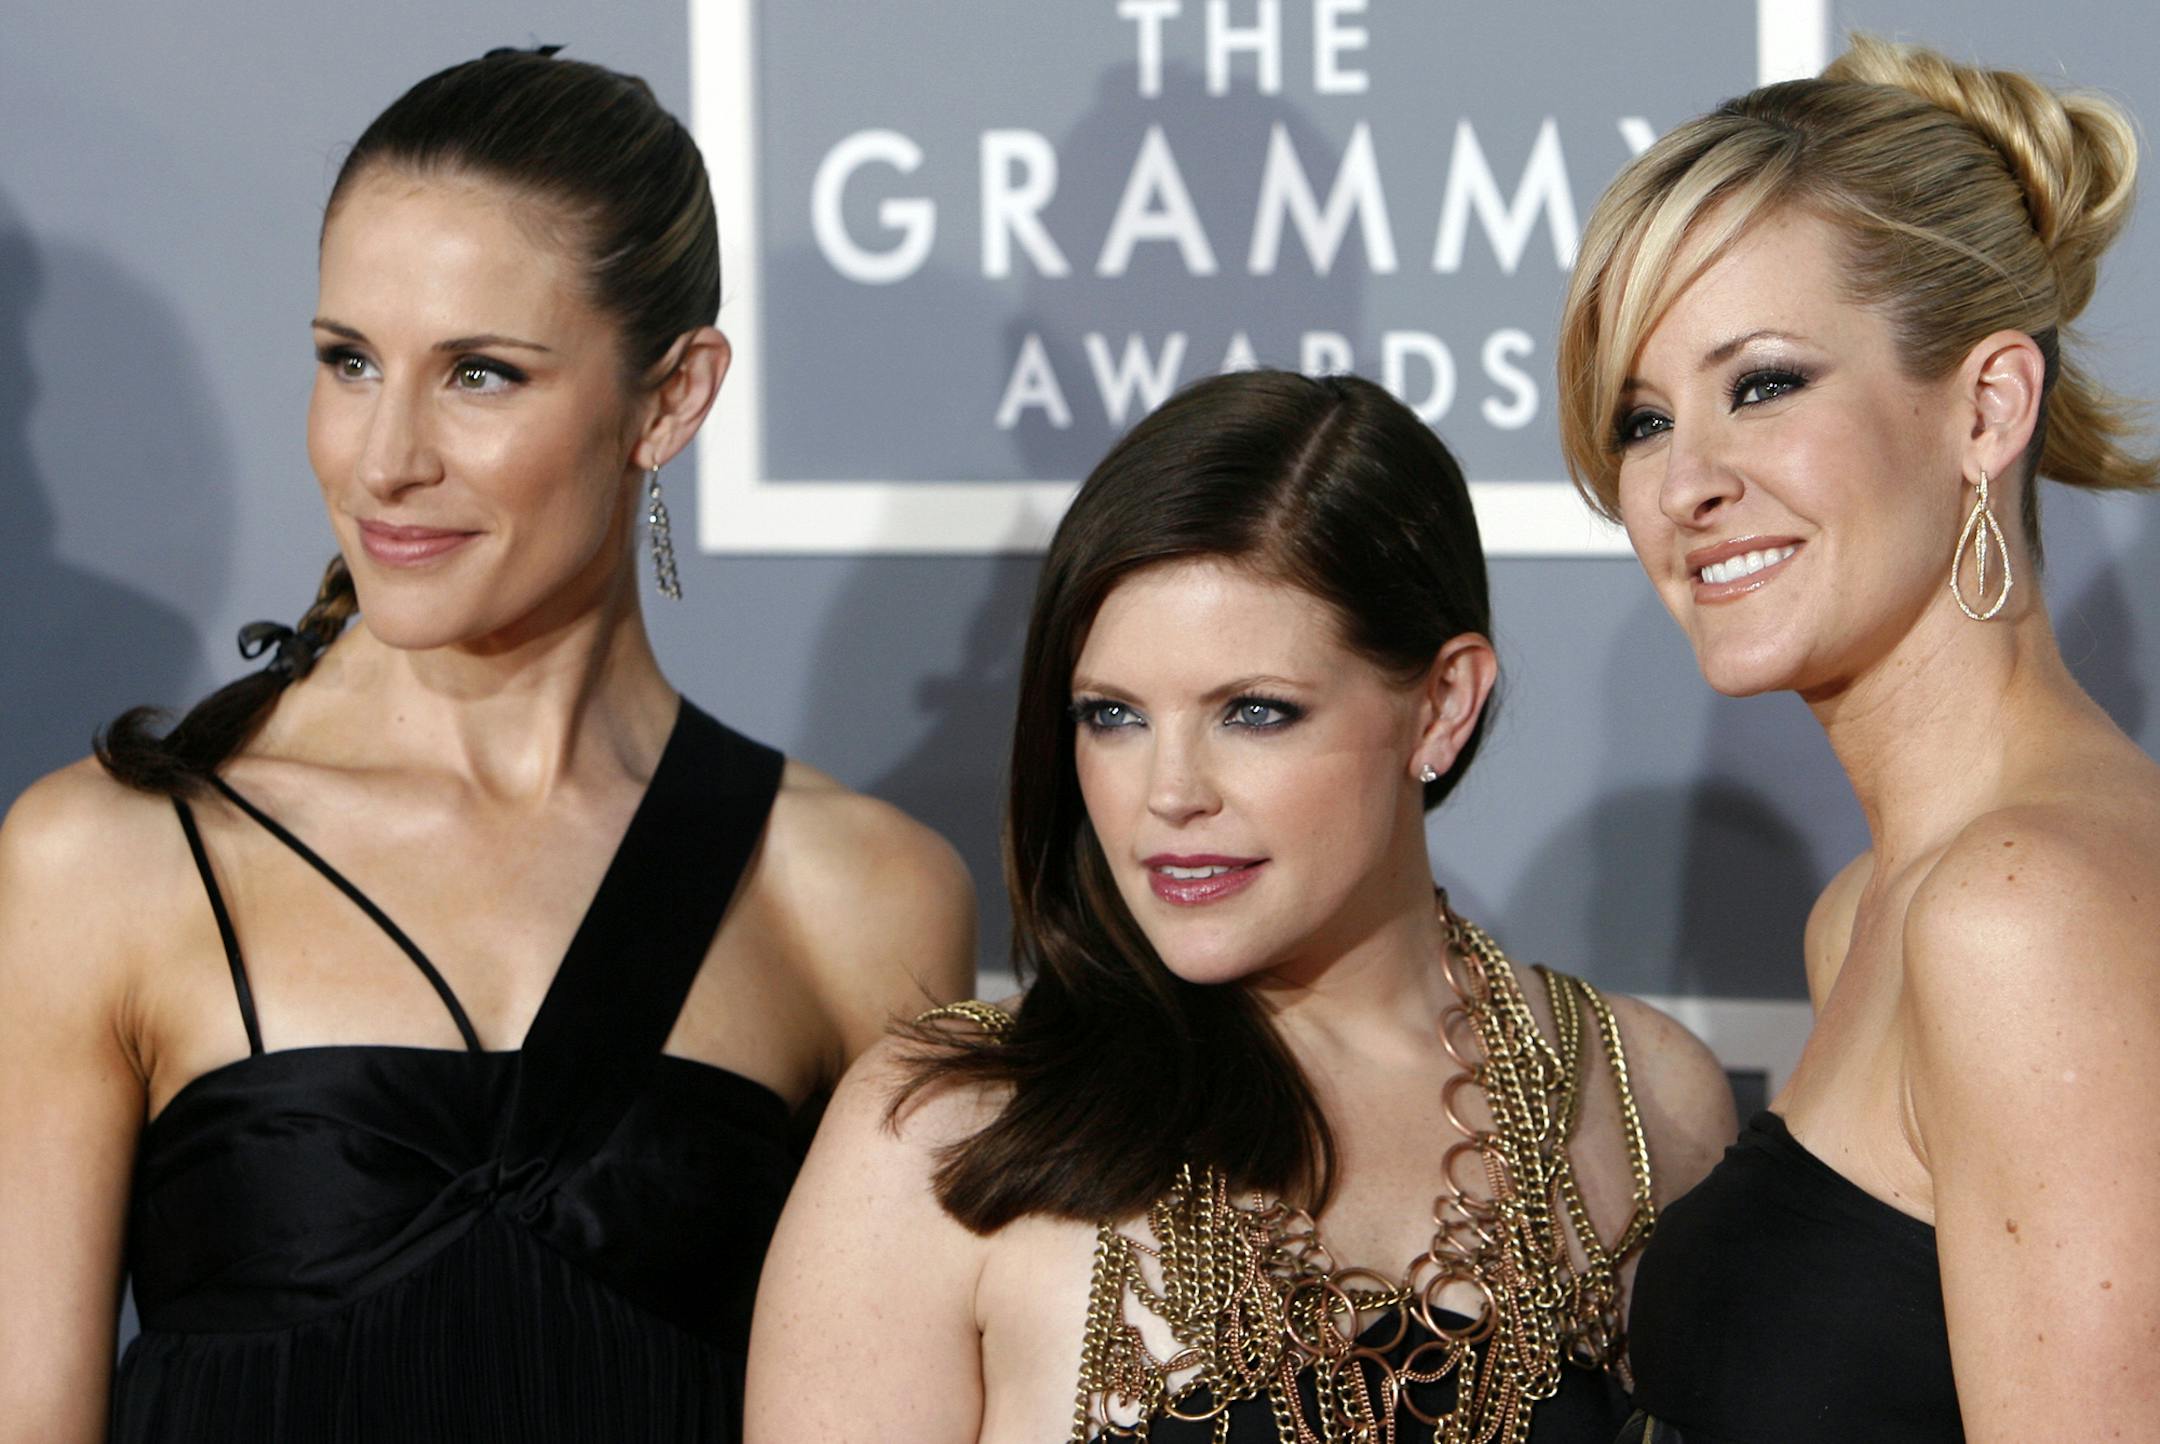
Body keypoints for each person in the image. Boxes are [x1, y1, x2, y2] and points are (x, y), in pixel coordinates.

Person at [0, 48, 973, 1444]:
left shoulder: (859, 897)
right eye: (349, 362)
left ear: (672, 398)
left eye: (480, 375)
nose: (383, 457)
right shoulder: (110, 857)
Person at [744, 369, 1737, 1443]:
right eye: (1113, 715)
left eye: (1253, 712)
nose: (1169, 792)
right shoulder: (950, 1129)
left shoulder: (1640, 1099)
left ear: (1442, 704)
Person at [1554, 34, 2160, 1443]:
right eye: (1644, 419)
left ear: (1988, 406)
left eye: (1763, 383)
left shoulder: (2020, 911)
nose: (1686, 483)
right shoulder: (1873, 913)